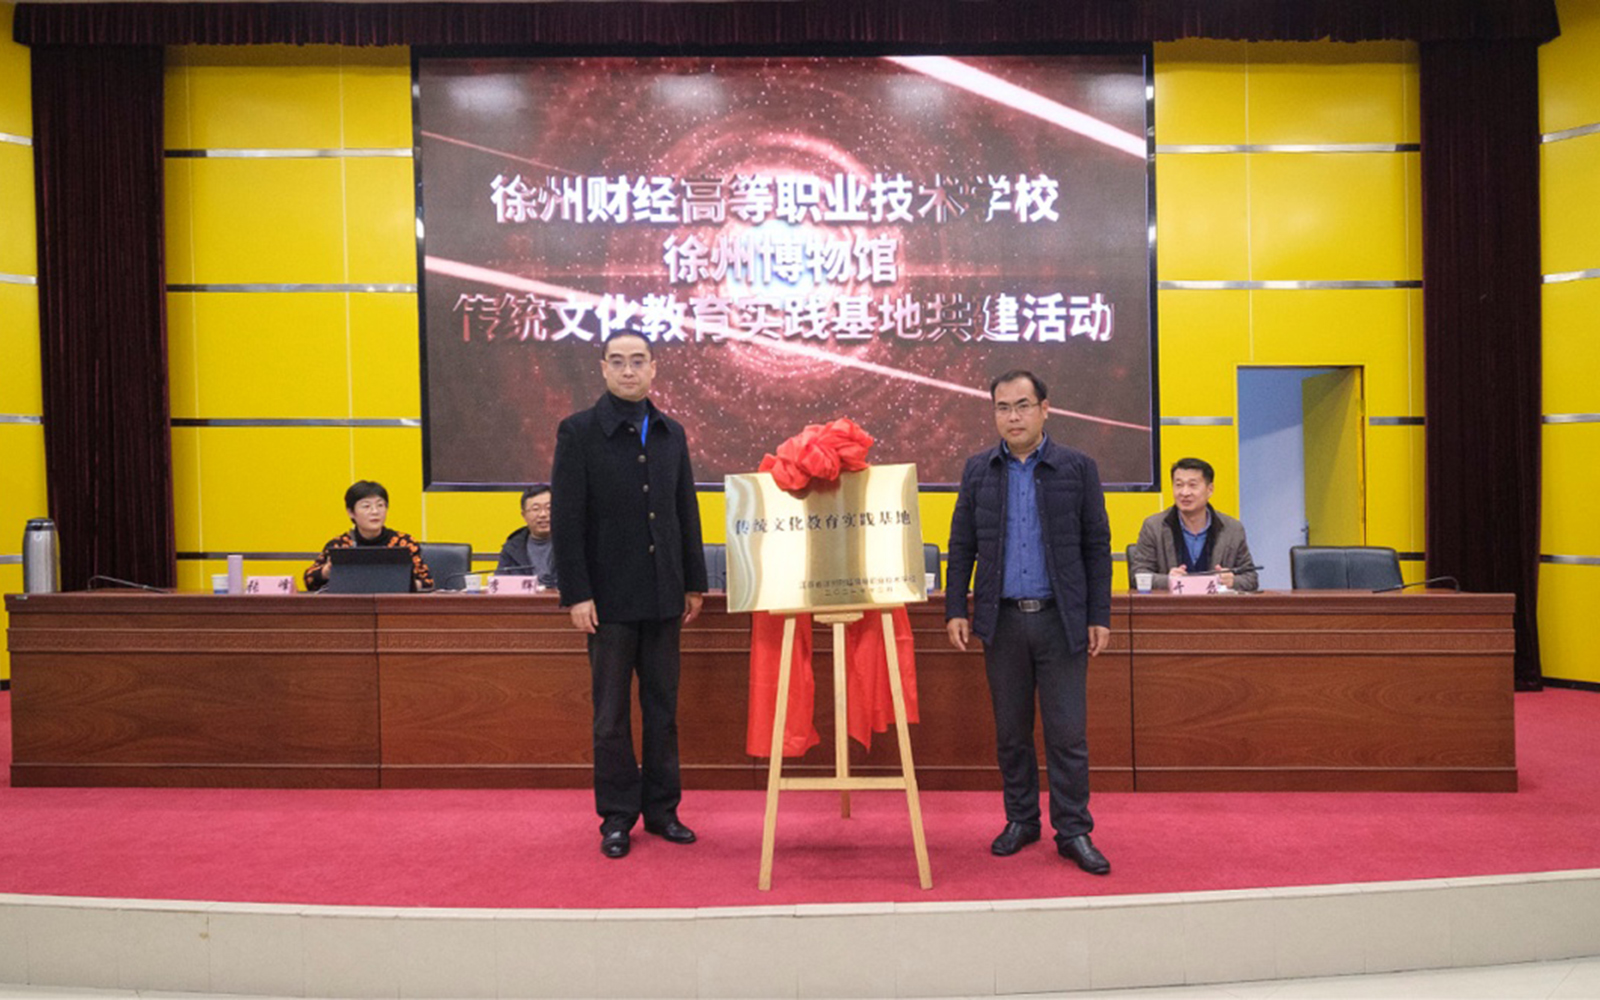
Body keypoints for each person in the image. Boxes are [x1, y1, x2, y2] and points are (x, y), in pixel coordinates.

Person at [945, 370, 1114, 875]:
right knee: (1011, 734)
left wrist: (1098, 615)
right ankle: (1021, 819)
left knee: (1067, 735)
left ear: (1045, 408)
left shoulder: (1077, 468)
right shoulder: (979, 470)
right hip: (1002, 623)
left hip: (1061, 622)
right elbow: (961, 544)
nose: (1012, 416)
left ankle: (1074, 829)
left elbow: (1097, 547)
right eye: (1002, 407)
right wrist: (956, 608)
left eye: (1022, 405)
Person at [550, 329, 708, 860]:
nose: (628, 370)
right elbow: (567, 520)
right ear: (602, 368)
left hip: (664, 594)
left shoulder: (670, 432)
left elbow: (685, 509)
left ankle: (663, 811)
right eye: (617, 361)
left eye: (638, 361)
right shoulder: (578, 432)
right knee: (611, 715)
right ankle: (617, 816)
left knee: (663, 710)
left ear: (653, 368)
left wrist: (693, 581)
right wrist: (577, 594)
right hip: (609, 600)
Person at [1130, 457, 1259, 592]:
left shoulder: (1232, 529)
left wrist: (1232, 581)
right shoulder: (1154, 527)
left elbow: (1251, 578)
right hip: (1171, 604)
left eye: (1192, 485)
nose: (1184, 493)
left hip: (1215, 605)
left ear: (1210, 489)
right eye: (1179, 485)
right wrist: (1168, 580)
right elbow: (1138, 575)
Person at [303, 480, 433, 592]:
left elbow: (428, 583)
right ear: (351, 512)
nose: (375, 511)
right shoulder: (340, 545)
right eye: (366, 506)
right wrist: (326, 572)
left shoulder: (404, 542)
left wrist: (405, 585)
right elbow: (309, 581)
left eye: (380, 505)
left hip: (393, 607)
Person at [495, 484, 557, 588]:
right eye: (536, 509)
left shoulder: (573, 544)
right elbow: (499, 585)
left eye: (549, 508)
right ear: (524, 516)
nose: (543, 514)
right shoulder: (512, 548)